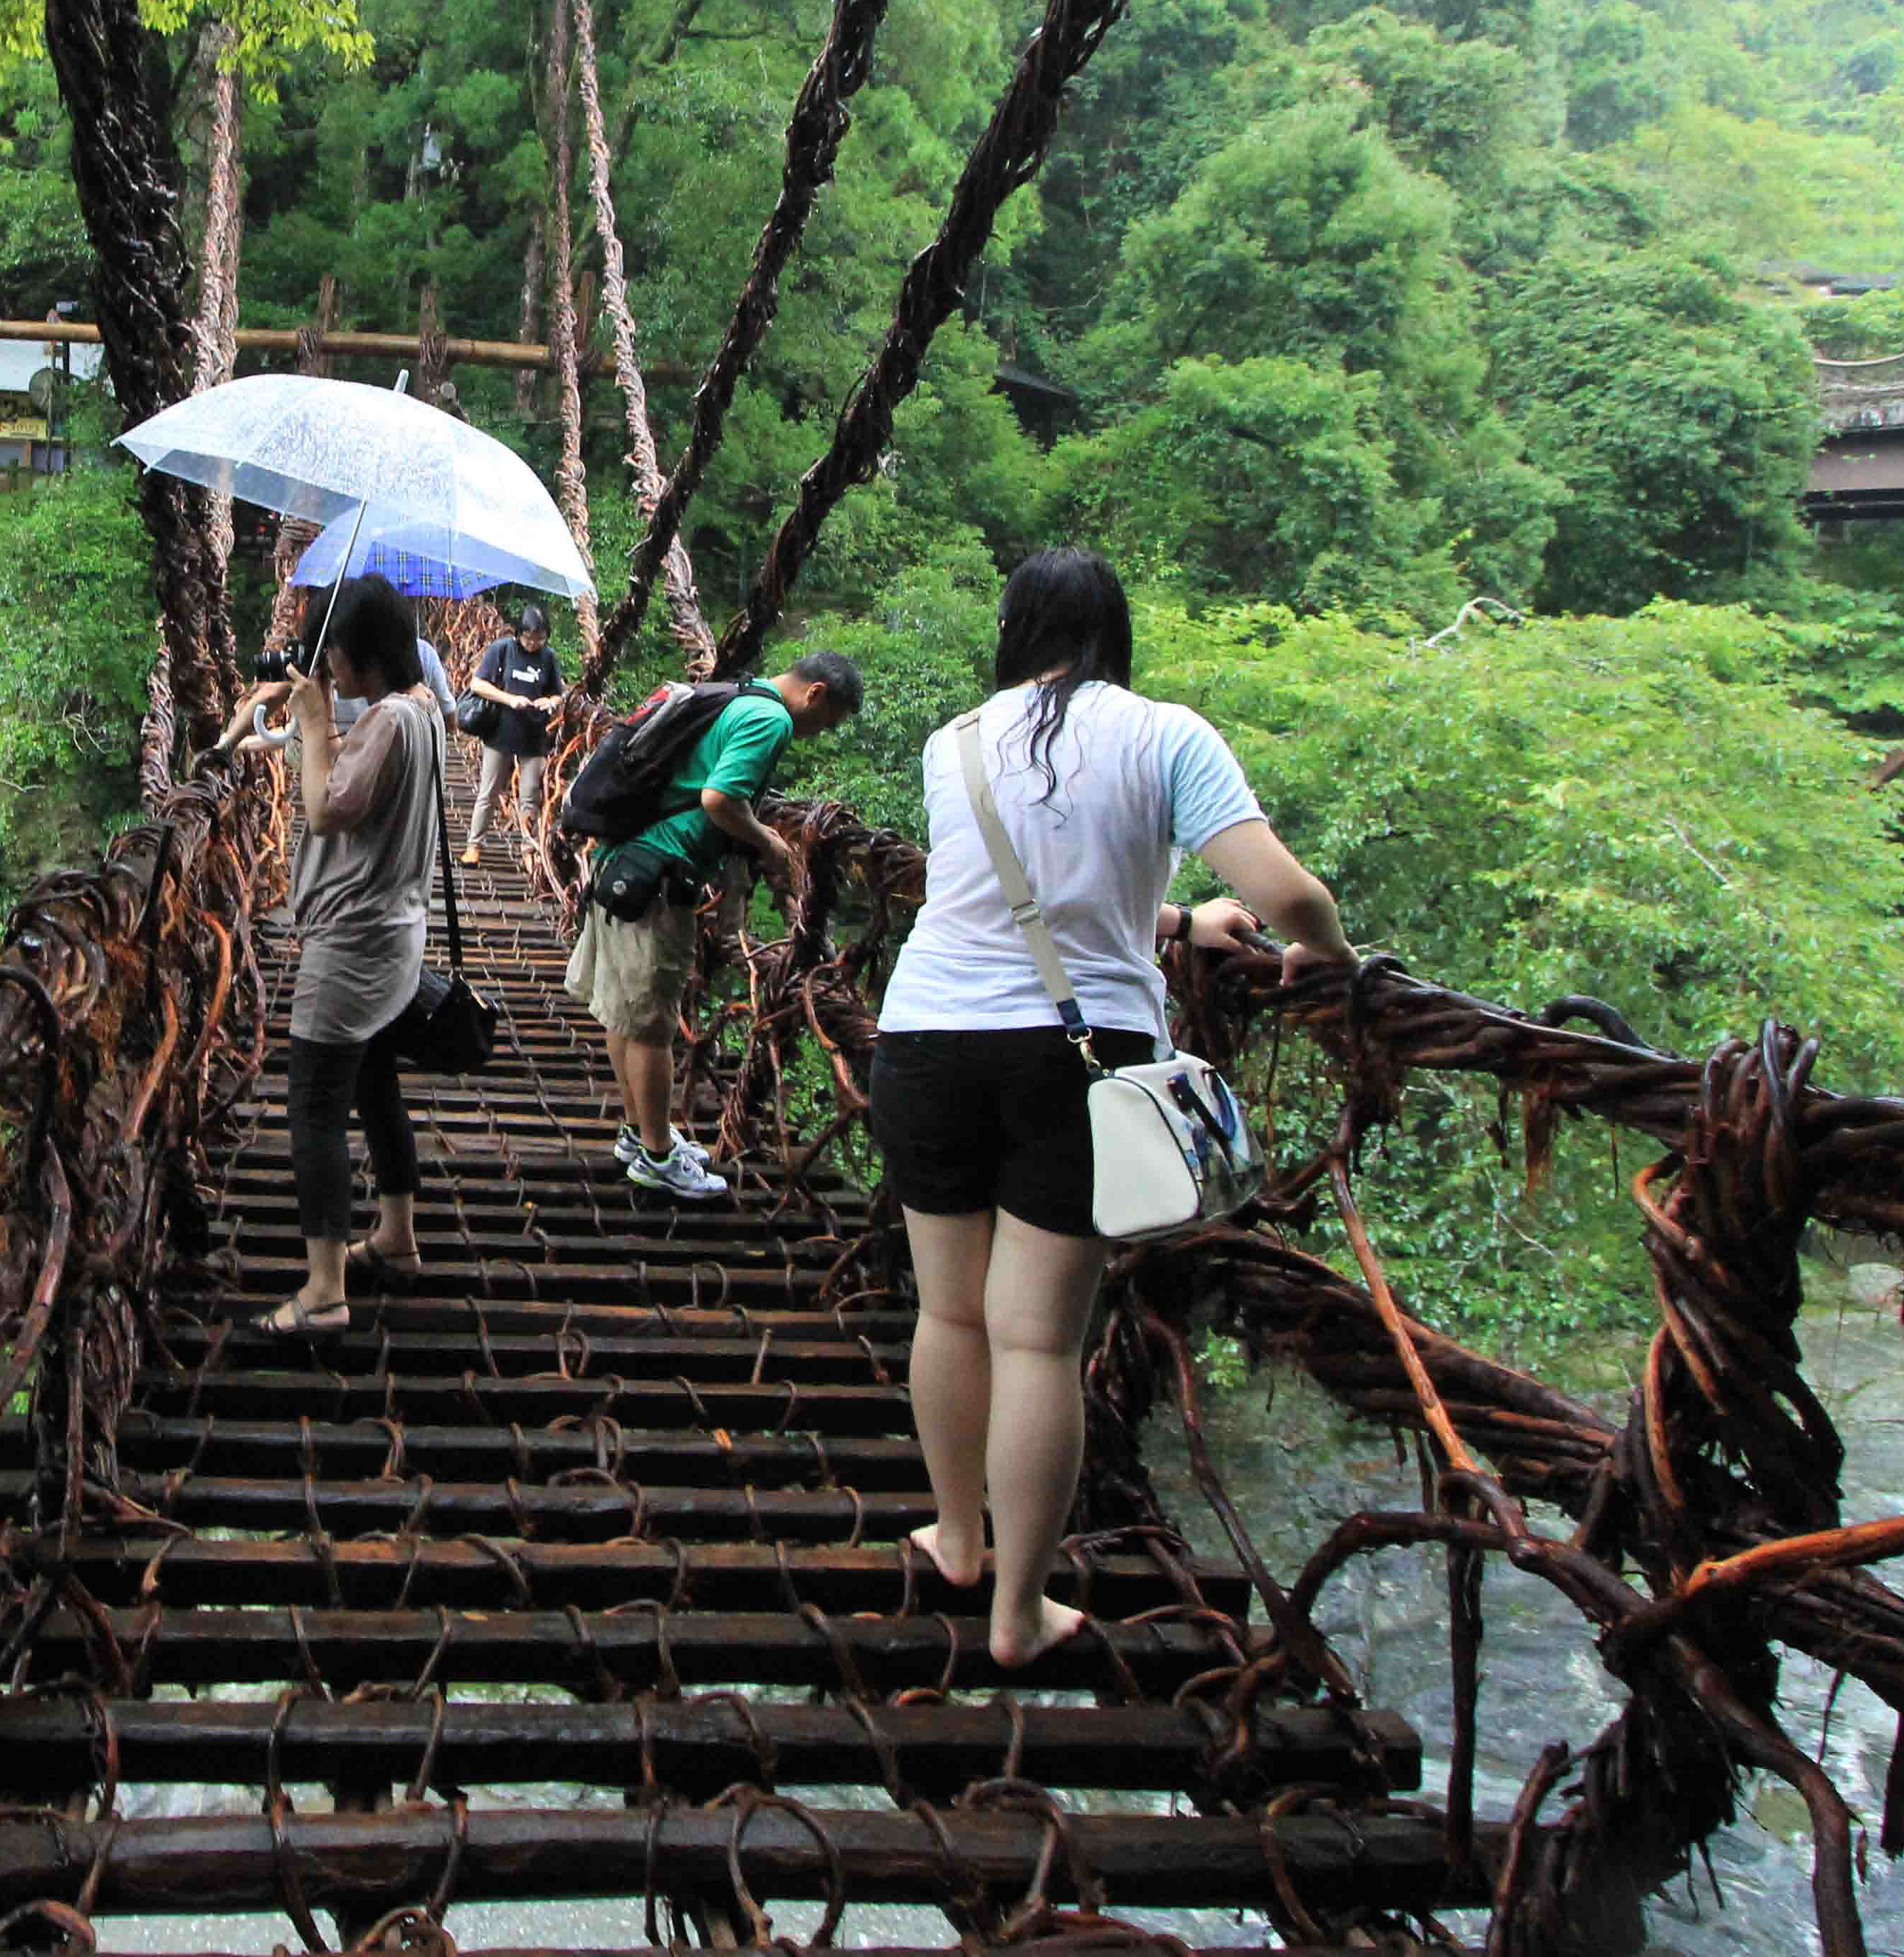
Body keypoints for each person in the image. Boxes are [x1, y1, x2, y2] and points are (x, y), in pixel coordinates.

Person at [874, 547, 1352, 1667]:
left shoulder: (955, 743)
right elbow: (1288, 893)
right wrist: (1329, 954)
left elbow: (1019, 896)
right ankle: (1018, 1614)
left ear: (1014, 630)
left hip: (926, 1038)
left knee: (949, 1316)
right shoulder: (1166, 732)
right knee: (1037, 1342)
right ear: (1112, 634)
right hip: (1076, 1064)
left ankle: (956, 1539)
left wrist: (1179, 923)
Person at [565, 650, 863, 1199]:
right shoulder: (770, 718)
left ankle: (639, 1132)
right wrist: (771, 843)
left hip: (626, 864)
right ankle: (656, 1155)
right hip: (658, 876)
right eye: (828, 721)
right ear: (815, 694)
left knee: (626, 1010)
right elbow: (720, 799)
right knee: (653, 1021)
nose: (820, 734)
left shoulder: (740, 694)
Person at [248, 573, 450, 1339]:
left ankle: (325, 1292)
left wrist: (311, 724)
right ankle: (396, 1237)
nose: (322, 666)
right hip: (394, 936)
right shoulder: (422, 709)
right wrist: (320, 723)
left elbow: (327, 809)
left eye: (328, 652)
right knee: (375, 1085)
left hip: (353, 946)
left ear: (351, 655)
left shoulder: (392, 723)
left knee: (315, 1110)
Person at [458, 605, 566, 864]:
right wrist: (509, 700)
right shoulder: (502, 649)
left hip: (534, 735)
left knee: (530, 795)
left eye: (540, 638)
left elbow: (557, 694)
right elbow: (477, 684)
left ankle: (528, 850)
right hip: (501, 732)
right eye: (529, 638)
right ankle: (474, 845)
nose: (533, 644)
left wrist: (549, 703)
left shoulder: (548, 657)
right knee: (489, 791)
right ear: (519, 634)